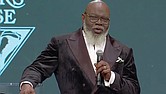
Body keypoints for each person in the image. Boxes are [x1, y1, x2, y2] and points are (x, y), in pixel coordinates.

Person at [20, 0, 140, 94]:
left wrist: (111, 77)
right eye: (94, 17)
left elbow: (134, 89)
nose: (99, 22)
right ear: (83, 17)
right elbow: (37, 69)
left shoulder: (123, 51)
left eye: (104, 19)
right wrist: (28, 83)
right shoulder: (62, 44)